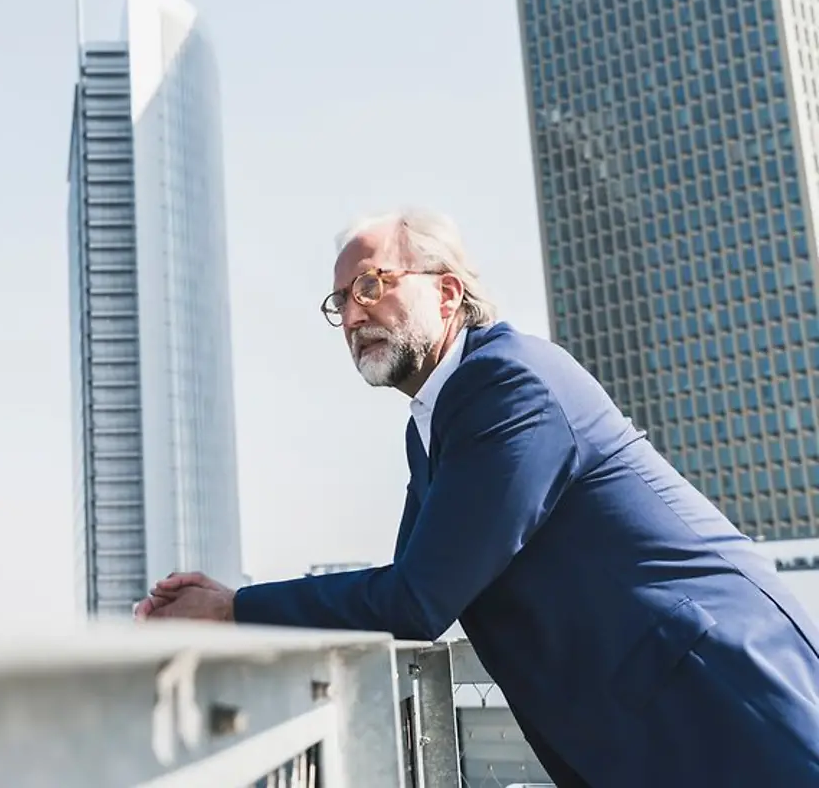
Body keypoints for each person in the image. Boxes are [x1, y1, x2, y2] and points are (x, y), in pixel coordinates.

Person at [135, 209, 819, 786]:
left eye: (372, 285)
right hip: (652, 719)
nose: (352, 314)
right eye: (340, 300)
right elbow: (407, 589)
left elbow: (418, 600)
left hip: (722, 702)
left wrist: (233, 609)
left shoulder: (507, 384)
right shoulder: (433, 422)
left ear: (448, 293)